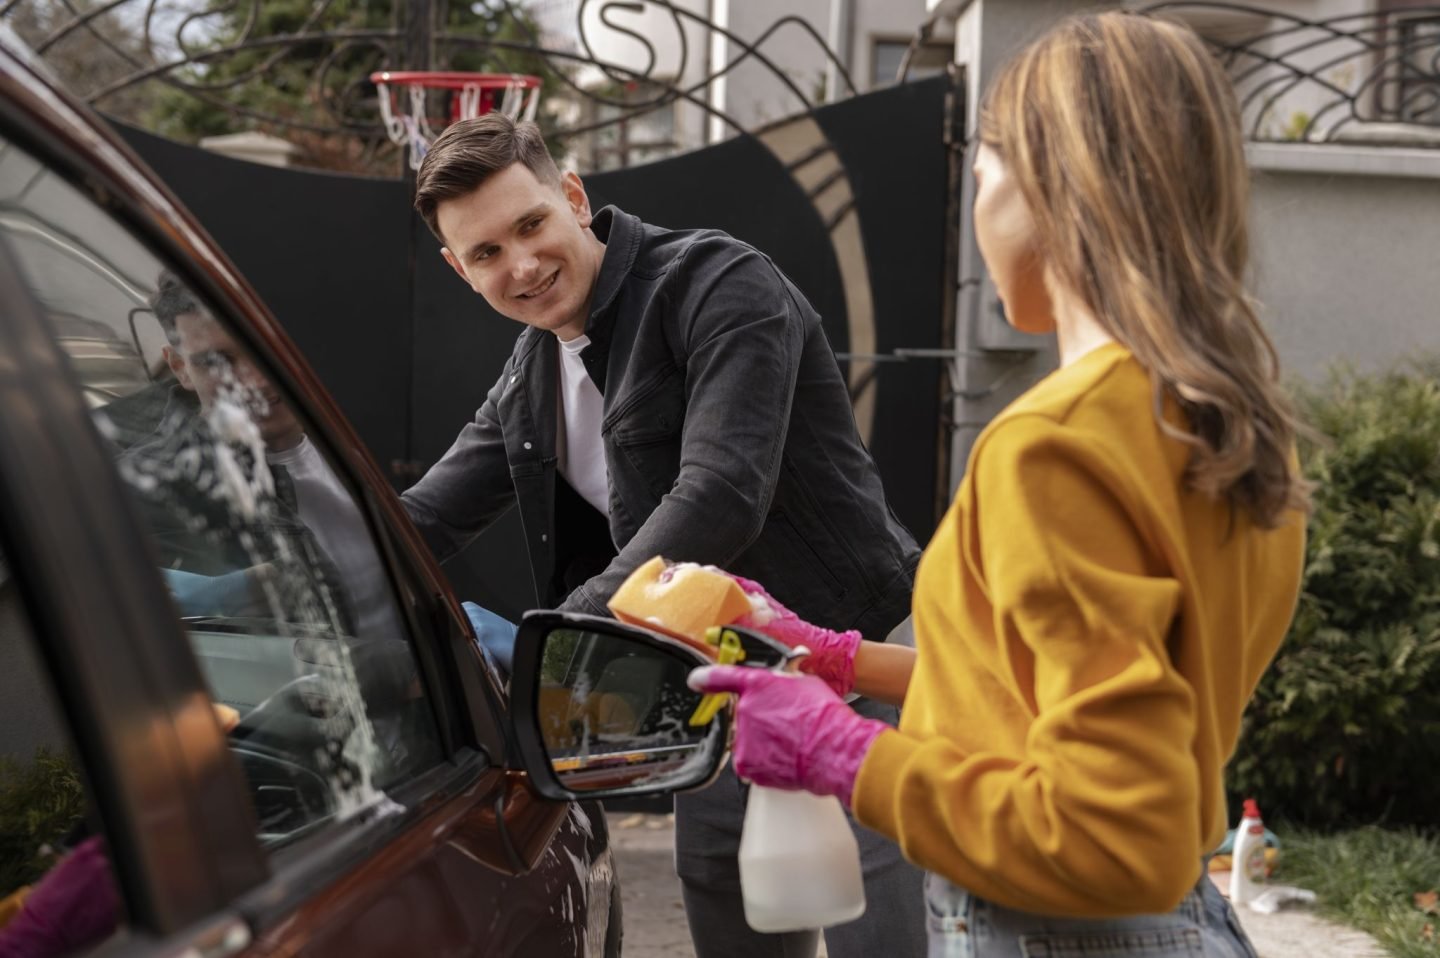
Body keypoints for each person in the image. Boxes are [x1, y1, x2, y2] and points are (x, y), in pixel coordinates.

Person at [692, 12, 1311, 957]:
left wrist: (841, 751)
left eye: (980, 177)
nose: (975, 211)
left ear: (1050, 187)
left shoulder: (1054, 448)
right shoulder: (1221, 428)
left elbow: (1113, 835)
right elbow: (1037, 698)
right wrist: (839, 661)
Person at [400, 114, 927, 957]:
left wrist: (563, 639)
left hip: (847, 652)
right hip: (712, 675)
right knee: (730, 902)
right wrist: (287, 570)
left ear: (572, 196)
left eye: (531, 225)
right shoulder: (530, 376)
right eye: (487, 253)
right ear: (459, 270)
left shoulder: (719, 282)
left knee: (884, 916)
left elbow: (721, 494)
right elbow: (423, 520)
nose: (523, 266)